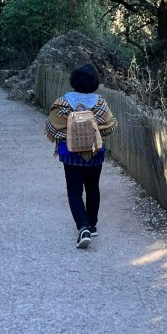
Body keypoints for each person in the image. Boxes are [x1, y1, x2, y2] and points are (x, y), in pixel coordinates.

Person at [45, 64, 117, 248]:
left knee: (74, 192)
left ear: (73, 82)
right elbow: (109, 126)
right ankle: (92, 225)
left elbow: (53, 126)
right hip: (94, 153)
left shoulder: (63, 103)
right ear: (94, 83)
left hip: (70, 155)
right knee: (93, 188)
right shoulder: (100, 103)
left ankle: (82, 227)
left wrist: (70, 135)